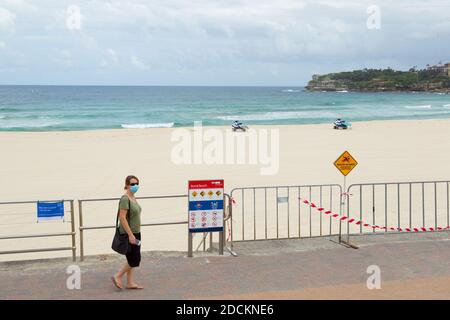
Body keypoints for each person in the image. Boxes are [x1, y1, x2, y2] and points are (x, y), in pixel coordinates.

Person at [111, 175, 143, 290]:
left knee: (131, 258)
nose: (135, 186)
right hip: (129, 233)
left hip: (136, 232)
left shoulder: (133, 197)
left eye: (137, 184)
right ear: (127, 185)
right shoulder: (125, 199)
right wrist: (130, 235)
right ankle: (118, 276)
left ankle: (130, 282)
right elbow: (122, 218)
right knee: (135, 259)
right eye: (132, 184)